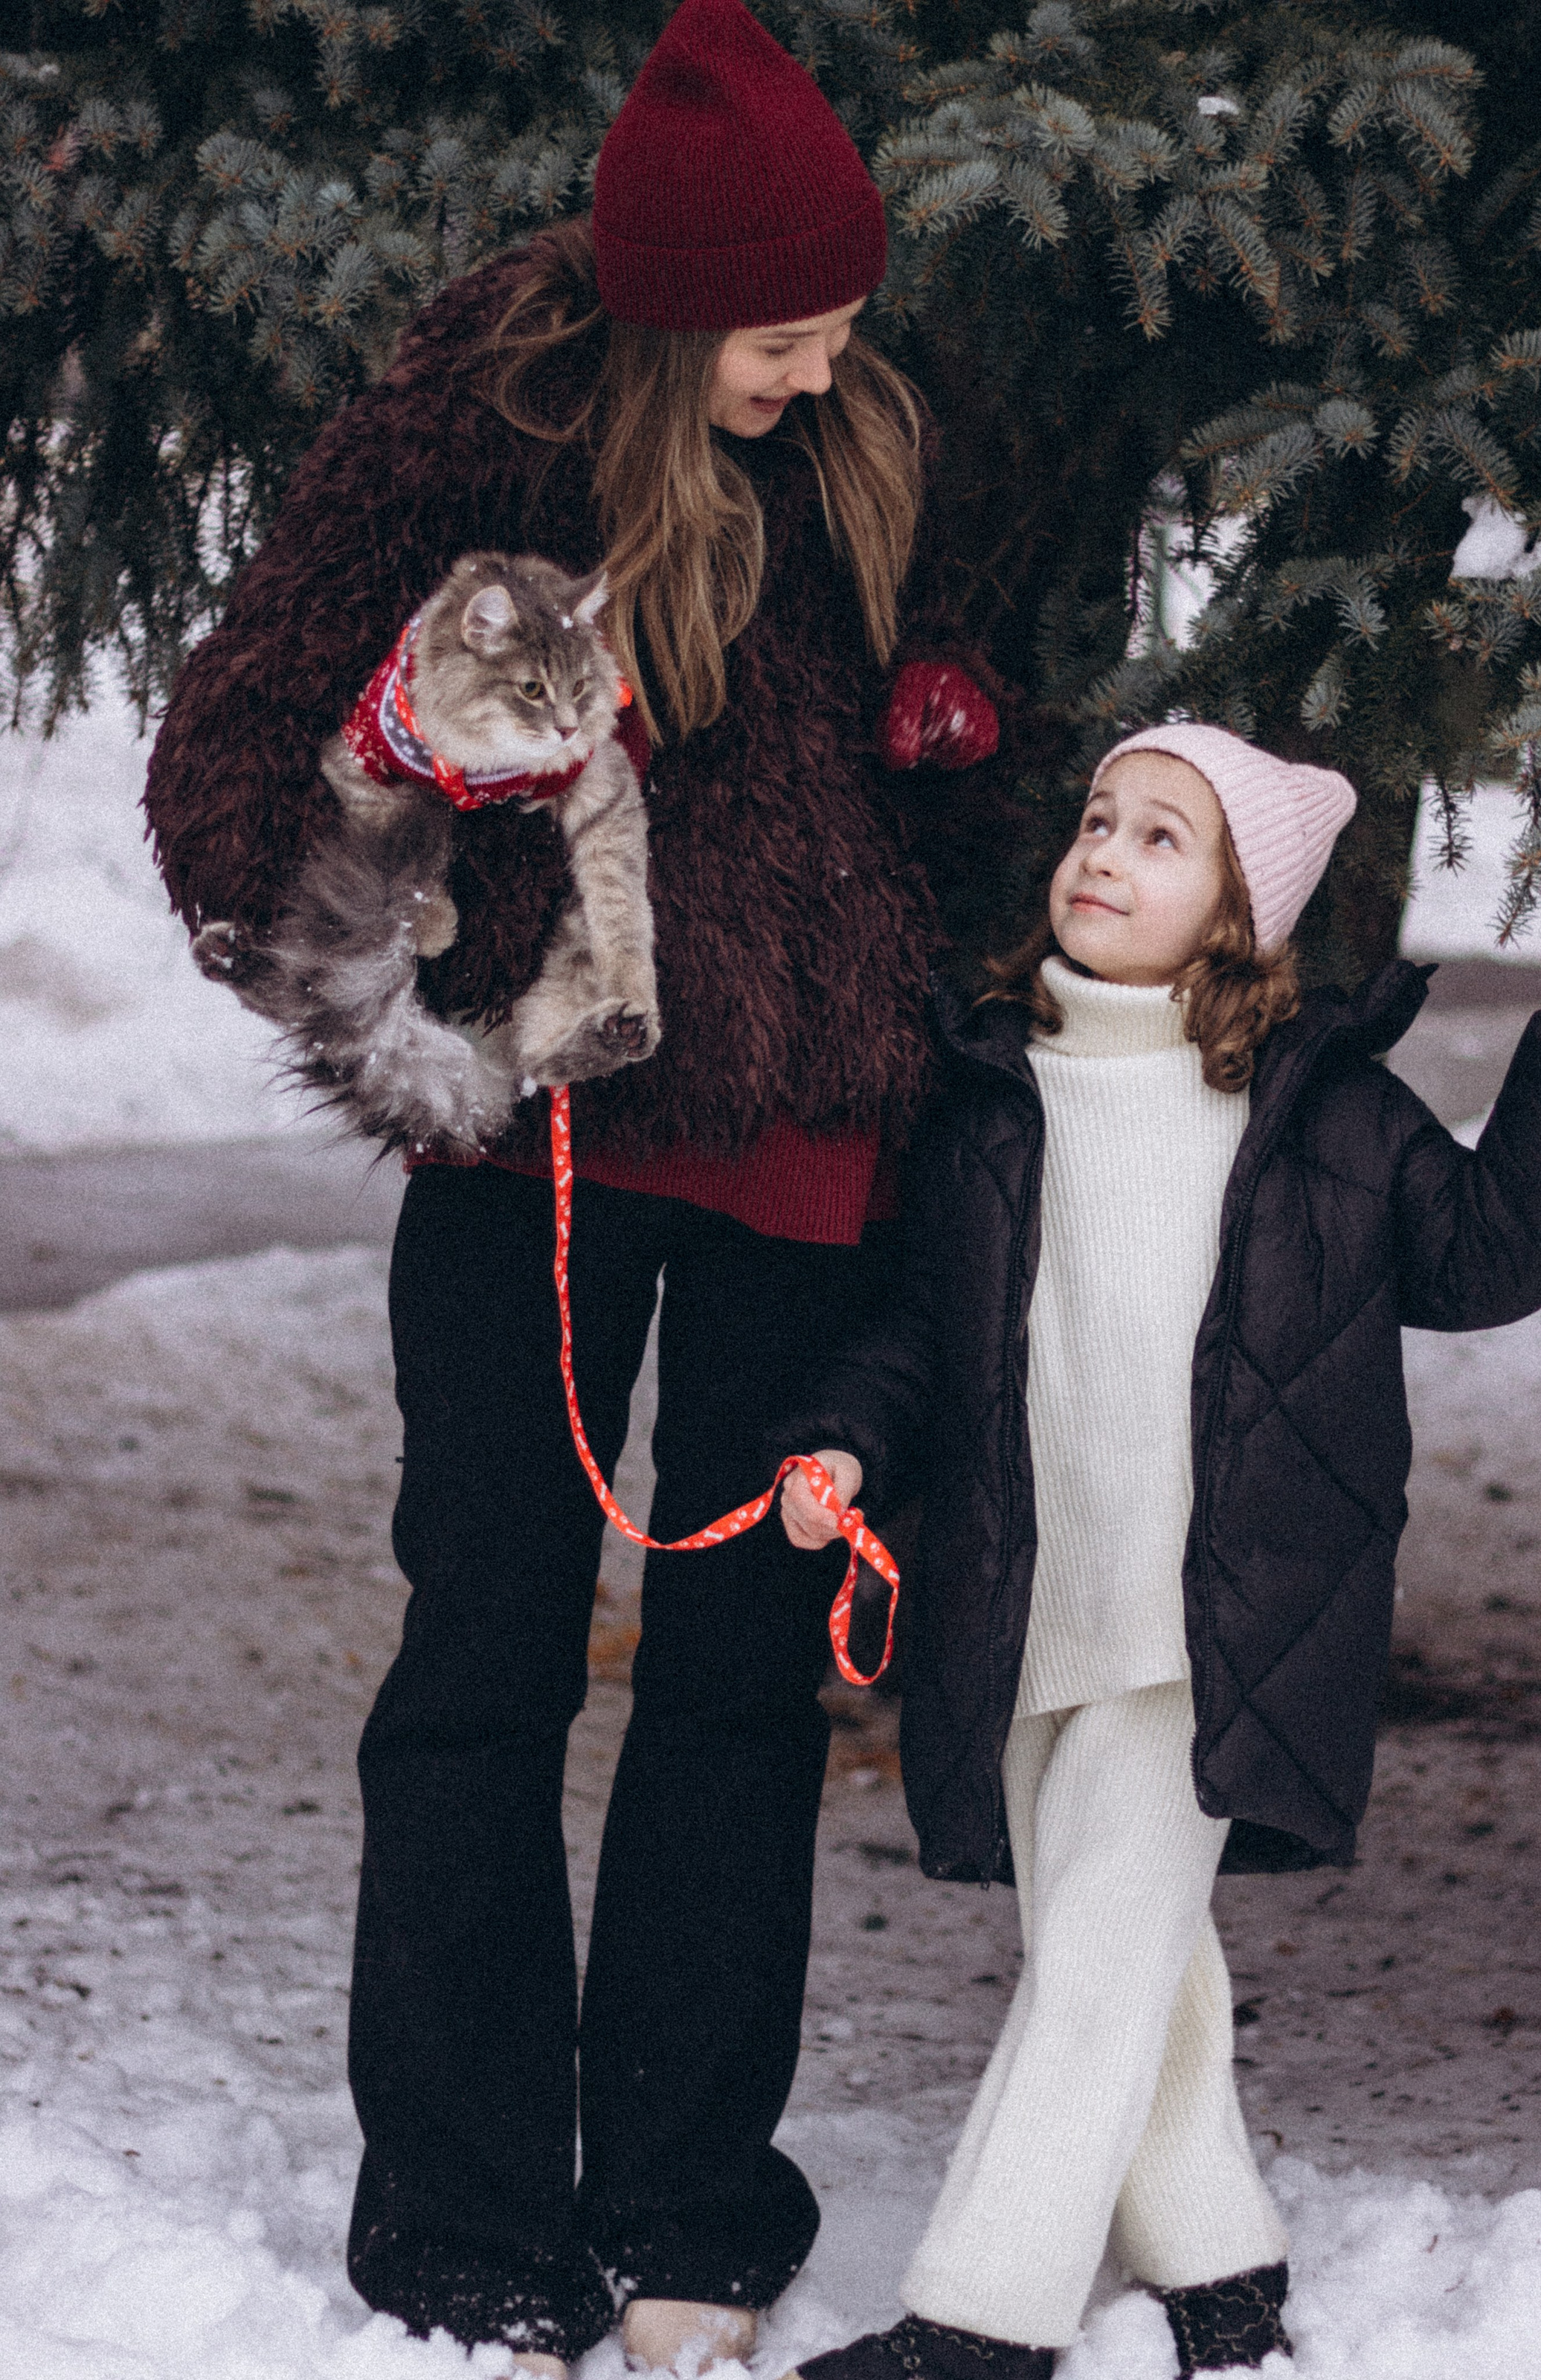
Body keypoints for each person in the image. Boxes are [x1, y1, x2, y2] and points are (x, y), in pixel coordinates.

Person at [142, 3, 1011, 2372]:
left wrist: (958, 771)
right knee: (488, 1650)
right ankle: (458, 2207)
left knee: (739, 1681)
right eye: (777, 335)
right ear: (653, 323)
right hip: (534, 1139)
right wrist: (398, 797)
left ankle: (695, 2211)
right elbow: (227, 777)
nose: (821, 370)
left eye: (843, 325)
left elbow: (970, 741)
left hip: (809, 1137)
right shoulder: (472, 434)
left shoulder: (877, 441)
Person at [779, 722, 1541, 2380]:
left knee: (1094, 1975)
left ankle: (984, 2318)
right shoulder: (995, 1092)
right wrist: (843, 1441)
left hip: (1216, 1627)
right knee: (1116, 1957)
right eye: (1096, 820)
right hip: (1030, 1610)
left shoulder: (1319, 1115)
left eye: (1159, 840)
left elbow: (1482, 1253)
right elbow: (923, 1333)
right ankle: (1223, 2276)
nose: (1102, 855)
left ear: (1238, 918)